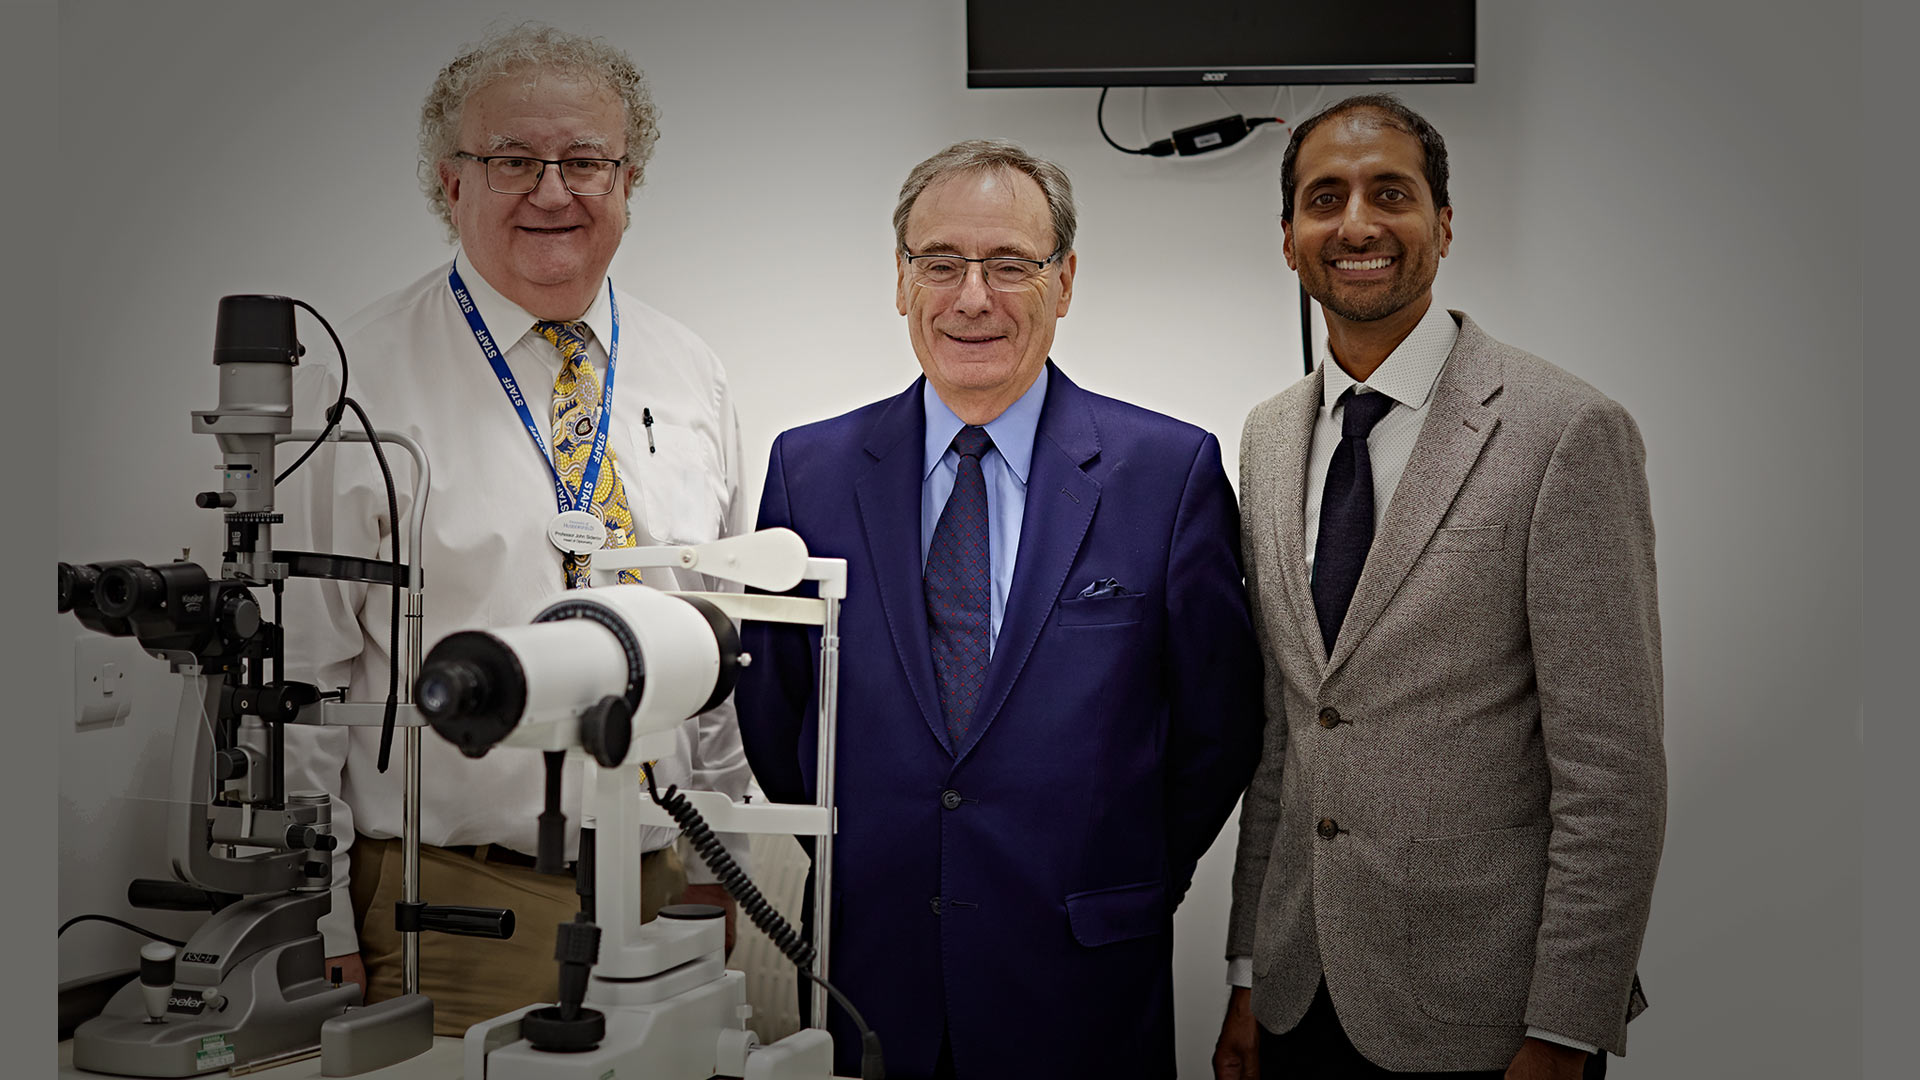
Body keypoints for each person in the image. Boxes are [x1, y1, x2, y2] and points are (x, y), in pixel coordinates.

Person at [733, 139, 1265, 1079]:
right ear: (902, 284)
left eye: (1010, 265)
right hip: (872, 978)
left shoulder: (1167, 473)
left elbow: (1216, 731)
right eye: (941, 264)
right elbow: (777, 718)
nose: (972, 297)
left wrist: (1125, 873)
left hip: (1081, 981)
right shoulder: (806, 474)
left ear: (1064, 282)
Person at [278, 24, 750, 1034]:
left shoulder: (689, 371)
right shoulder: (353, 382)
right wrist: (313, 917)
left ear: (629, 181)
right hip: (457, 906)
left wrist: (724, 862)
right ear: (450, 183)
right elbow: (302, 681)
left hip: (663, 884)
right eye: (512, 161)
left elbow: (717, 641)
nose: (553, 191)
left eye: (585, 161)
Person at [1213, 95, 1666, 1080]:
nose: (1358, 224)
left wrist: (1565, 1031)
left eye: (1392, 193)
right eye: (1324, 199)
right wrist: (1249, 971)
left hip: (1492, 1017)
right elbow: (1289, 739)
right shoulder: (1268, 436)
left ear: (1444, 224)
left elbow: (1613, 776)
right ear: (1288, 239)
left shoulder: (1564, 434)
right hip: (1301, 997)